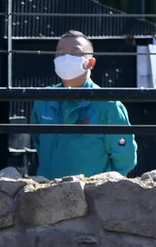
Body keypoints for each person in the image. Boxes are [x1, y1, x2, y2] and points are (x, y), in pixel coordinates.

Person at [28, 31, 137, 179]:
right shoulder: (43, 101)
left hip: (91, 197)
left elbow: (125, 159)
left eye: (75, 53)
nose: (66, 58)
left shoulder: (108, 105)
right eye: (60, 53)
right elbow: (39, 143)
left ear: (91, 62)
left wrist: (102, 189)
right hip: (47, 194)